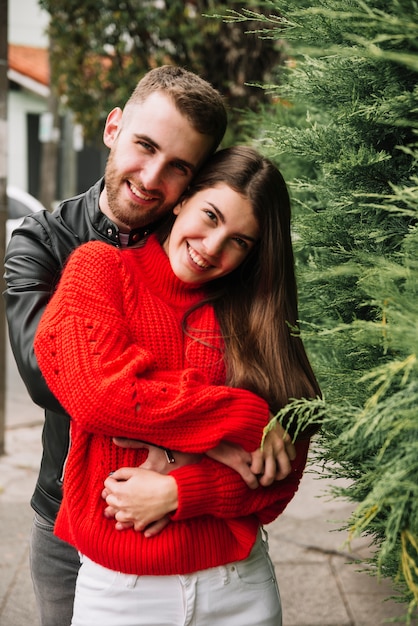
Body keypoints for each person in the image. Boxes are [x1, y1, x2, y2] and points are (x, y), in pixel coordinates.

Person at [3, 65, 294, 626]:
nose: (152, 176)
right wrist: (227, 430)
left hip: (211, 553)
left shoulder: (215, 268)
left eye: (178, 167)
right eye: (145, 146)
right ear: (113, 129)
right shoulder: (45, 243)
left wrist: (187, 482)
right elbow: (57, 382)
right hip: (71, 507)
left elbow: (280, 455)